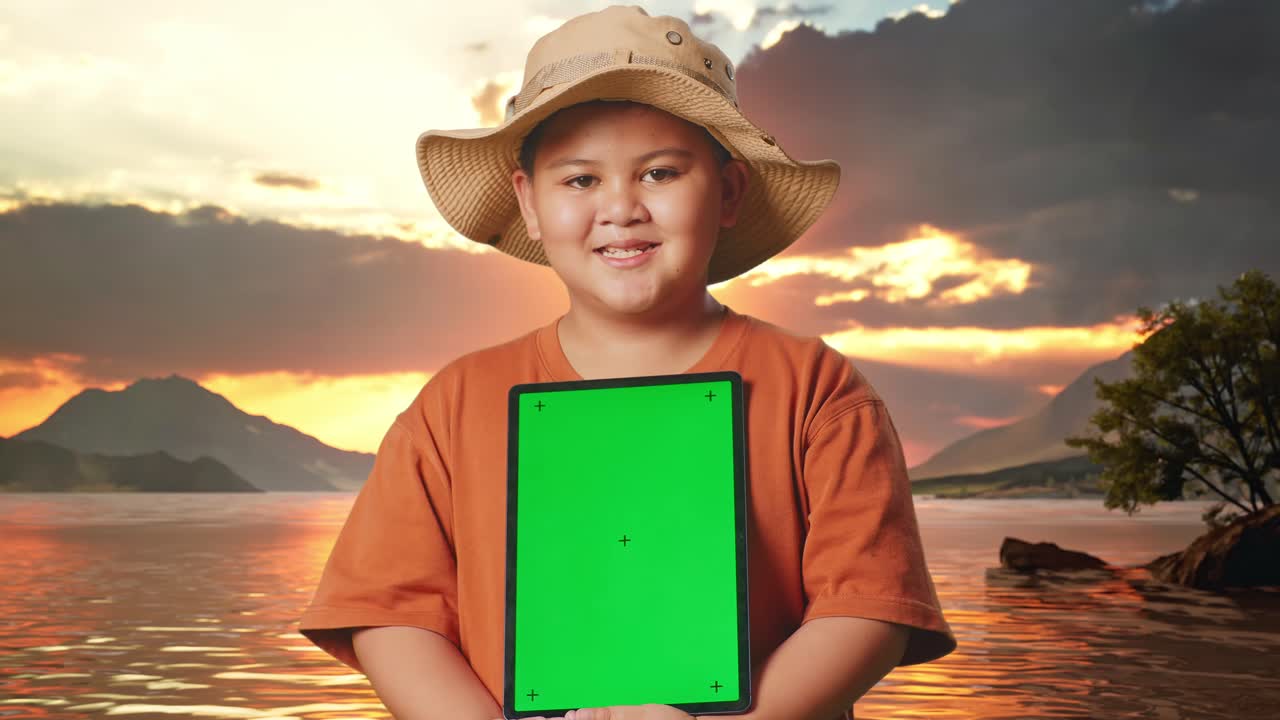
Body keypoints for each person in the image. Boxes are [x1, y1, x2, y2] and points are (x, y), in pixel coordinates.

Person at [296, 6, 957, 720]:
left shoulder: (818, 389)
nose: (620, 208)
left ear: (729, 191)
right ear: (529, 202)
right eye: (580, 181)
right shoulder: (453, 405)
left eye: (661, 173)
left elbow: (870, 606)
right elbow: (391, 614)